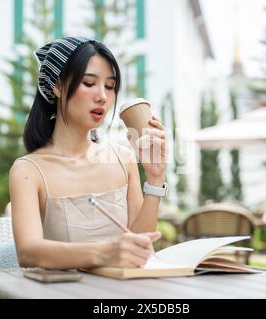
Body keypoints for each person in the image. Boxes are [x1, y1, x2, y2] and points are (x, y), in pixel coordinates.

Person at [9, 36, 168, 270]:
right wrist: (105, 252)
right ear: (58, 86)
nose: (103, 96)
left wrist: (155, 178)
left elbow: (139, 250)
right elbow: (29, 252)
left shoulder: (123, 159)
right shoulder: (28, 171)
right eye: (89, 83)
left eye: (110, 86)